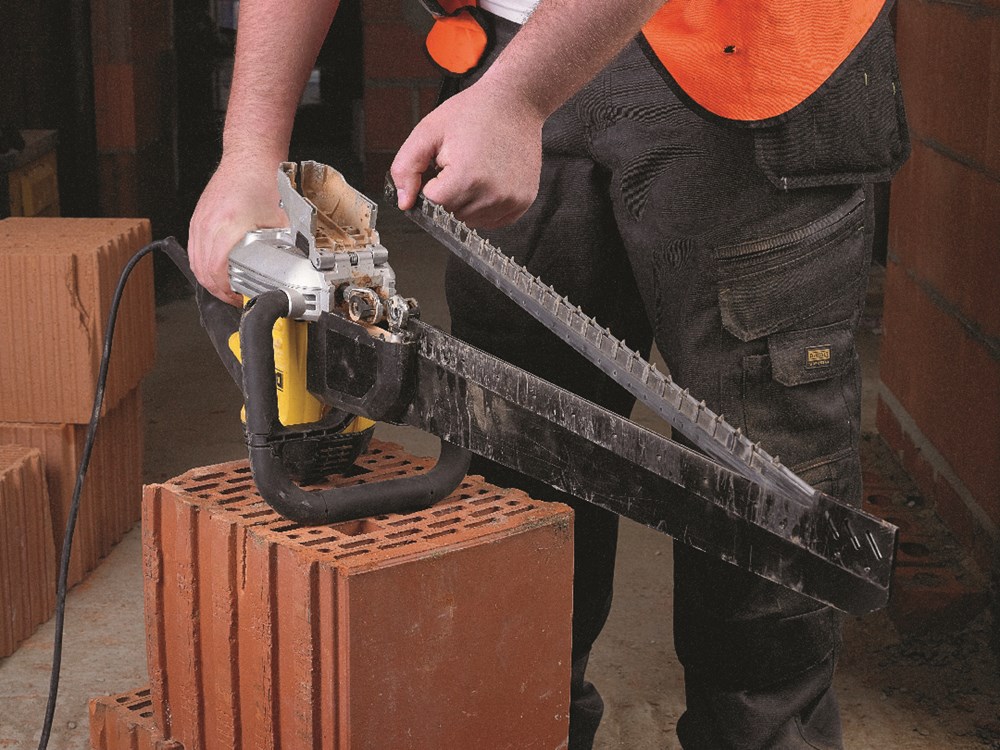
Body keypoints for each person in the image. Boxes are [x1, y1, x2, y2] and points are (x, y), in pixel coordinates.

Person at [189, 1, 910, 747]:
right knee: (516, 501)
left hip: (756, 59)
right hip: (512, 45)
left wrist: (517, 96)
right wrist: (249, 151)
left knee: (766, 531)